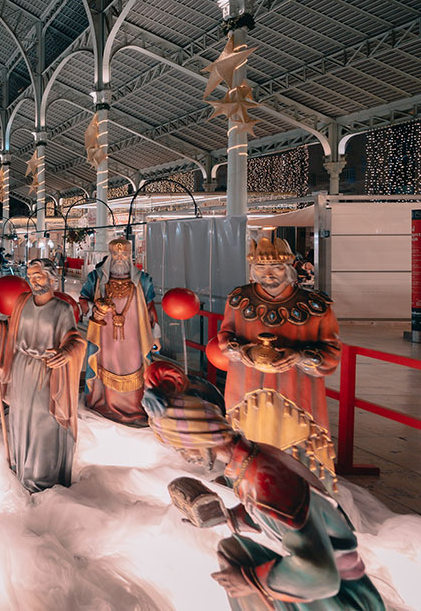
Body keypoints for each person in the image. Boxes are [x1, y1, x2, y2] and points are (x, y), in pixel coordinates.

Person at [142, 362, 384, 610]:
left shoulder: (262, 478)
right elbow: (279, 514)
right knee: (232, 548)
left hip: (347, 596)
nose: (184, 455)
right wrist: (227, 517)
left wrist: (250, 580)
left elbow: (320, 573)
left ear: (198, 435)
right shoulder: (251, 460)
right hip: (332, 572)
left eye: (182, 446)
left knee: (237, 560)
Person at [218, 237, 341, 488]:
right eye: (262, 268)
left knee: (297, 454)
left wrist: (300, 356)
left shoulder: (315, 305)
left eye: (276, 267)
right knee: (248, 446)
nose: (269, 273)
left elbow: (331, 352)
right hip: (246, 393)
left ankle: (304, 492)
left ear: (289, 268)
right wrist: (244, 351)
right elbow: (224, 339)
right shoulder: (239, 299)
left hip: (297, 394)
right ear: (253, 270)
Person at [0, 258, 86, 491]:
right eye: (30, 276)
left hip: (45, 373)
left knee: (43, 423)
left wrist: (66, 352)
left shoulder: (62, 309)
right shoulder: (22, 302)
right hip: (21, 368)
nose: (33, 280)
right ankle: (23, 468)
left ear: (52, 278)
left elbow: (74, 339)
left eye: (38, 276)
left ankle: (41, 477)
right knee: (20, 419)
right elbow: (12, 331)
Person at [78, 237, 159, 428]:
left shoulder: (144, 280)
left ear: (131, 255)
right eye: (116, 253)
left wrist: (156, 336)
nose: (120, 257)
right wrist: (94, 309)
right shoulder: (96, 278)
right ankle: (103, 405)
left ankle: (136, 408)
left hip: (135, 337)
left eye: (124, 254)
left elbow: (151, 310)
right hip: (105, 338)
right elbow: (83, 301)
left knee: (136, 366)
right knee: (104, 365)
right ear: (109, 254)